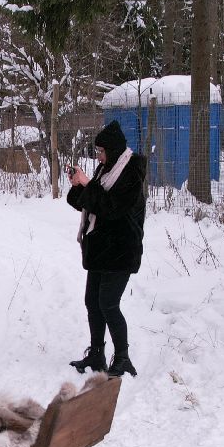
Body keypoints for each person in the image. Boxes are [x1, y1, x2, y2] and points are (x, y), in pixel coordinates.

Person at [66, 121, 147, 377]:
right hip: (101, 249)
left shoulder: (131, 172)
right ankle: (96, 354)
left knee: (108, 303)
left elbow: (112, 208)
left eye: (101, 151)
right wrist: (78, 185)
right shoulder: (106, 169)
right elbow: (84, 202)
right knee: (92, 301)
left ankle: (122, 358)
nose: (98, 156)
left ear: (113, 149)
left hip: (122, 249)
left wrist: (88, 184)